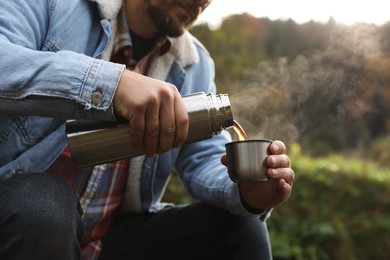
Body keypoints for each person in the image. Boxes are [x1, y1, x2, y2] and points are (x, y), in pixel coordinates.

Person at [0, 0, 295, 259]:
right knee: (45, 206)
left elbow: (205, 157)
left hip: (106, 241)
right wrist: (111, 85)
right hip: (20, 217)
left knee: (240, 228)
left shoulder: (194, 64)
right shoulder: (54, 5)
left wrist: (245, 190)